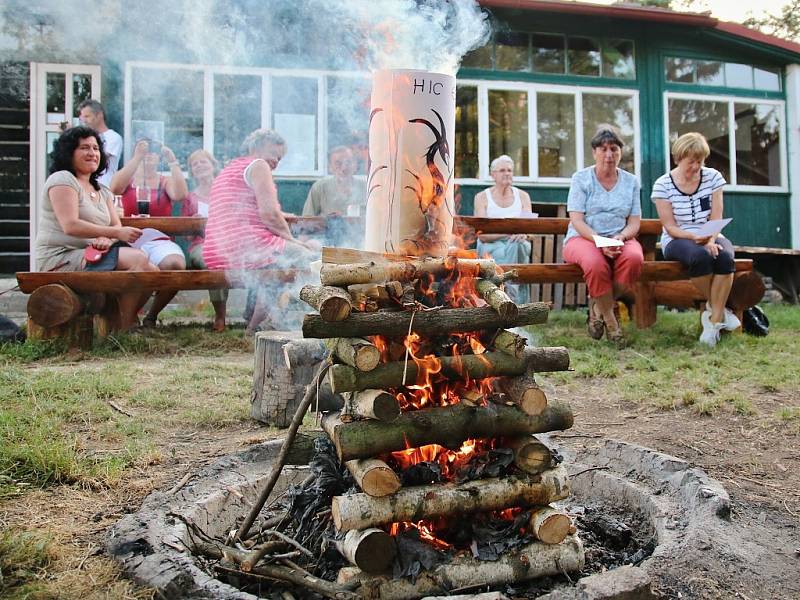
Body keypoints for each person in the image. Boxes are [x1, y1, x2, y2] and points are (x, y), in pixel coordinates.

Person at [35, 126, 157, 330]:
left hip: (91, 254)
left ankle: (117, 322)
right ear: (69, 152)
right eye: (84, 148)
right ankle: (123, 328)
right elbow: (70, 225)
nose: (92, 153)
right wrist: (114, 234)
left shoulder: (102, 190)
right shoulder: (63, 180)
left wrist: (106, 239)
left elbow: (114, 224)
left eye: (95, 148)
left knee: (152, 270)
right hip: (59, 257)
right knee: (139, 259)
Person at [203, 128, 318, 334]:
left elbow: (250, 209)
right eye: (275, 153)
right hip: (244, 247)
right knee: (310, 258)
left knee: (276, 266)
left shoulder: (230, 169)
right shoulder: (258, 165)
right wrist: (295, 241)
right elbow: (269, 215)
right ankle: (279, 322)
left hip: (218, 251)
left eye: (280, 158)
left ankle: (254, 323)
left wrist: (281, 217)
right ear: (258, 146)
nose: (276, 161)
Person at [652, 132, 739, 347]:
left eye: (700, 161)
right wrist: (693, 236)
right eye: (691, 162)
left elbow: (716, 215)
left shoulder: (713, 178)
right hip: (678, 238)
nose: (696, 167)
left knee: (725, 258)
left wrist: (710, 239)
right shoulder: (663, 185)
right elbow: (670, 226)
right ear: (678, 159)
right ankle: (720, 309)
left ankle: (714, 319)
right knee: (700, 257)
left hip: (712, 232)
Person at [563, 125, 643, 348]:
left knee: (634, 259)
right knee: (595, 263)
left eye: (614, 149)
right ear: (594, 152)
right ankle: (612, 323)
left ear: (620, 152)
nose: (609, 155)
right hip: (583, 238)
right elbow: (577, 220)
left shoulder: (631, 182)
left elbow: (635, 222)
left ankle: (597, 308)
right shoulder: (581, 179)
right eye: (604, 149)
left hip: (620, 237)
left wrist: (620, 238)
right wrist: (600, 241)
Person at [109, 140, 189, 327]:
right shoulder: (127, 180)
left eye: (153, 152)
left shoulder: (164, 181)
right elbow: (113, 188)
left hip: (158, 239)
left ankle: (151, 315)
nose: (149, 155)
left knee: (176, 265)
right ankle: (127, 318)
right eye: (145, 152)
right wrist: (137, 157)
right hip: (128, 238)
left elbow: (180, 195)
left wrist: (173, 162)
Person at [473, 155, 533, 304]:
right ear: (493, 174)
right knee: (515, 247)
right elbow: (482, 235)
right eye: (502, 170)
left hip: (518, 245)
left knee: (518, 245)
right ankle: (515, 301)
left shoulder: (523, 196)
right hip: (491, 247)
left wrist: (522, 234)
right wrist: (509, 232)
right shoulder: (482, 197)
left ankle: (508, 299)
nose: (507, 173)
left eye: (510, 170)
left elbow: (530, 229)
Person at [182, 149, 228, 332]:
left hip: (227, 243)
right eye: (195, 164)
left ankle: (255, 316)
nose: (200, 165)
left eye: (204, 162)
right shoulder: (190, 197)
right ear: (192, 171)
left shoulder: (225, 191)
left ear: (213, 165)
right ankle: (220, 315)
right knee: (213, 259)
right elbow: (186, 235)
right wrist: (195, 221)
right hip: (200, 245)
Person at [302, 146, 366, 217]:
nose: (344, 168)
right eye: (338, 163)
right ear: (330, 167)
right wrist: (327, 220)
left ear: (355, 165)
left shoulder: (366, 188)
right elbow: (307, 219)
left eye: (348, 162)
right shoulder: (320, 187)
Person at [77, 99, 123, 188]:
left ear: (99, 115)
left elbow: (100, 159)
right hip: (85, 187)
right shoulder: (85, 138)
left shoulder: (113, 137)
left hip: (104, 188)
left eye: (87, 116)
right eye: (82, 117)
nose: (84, 121)